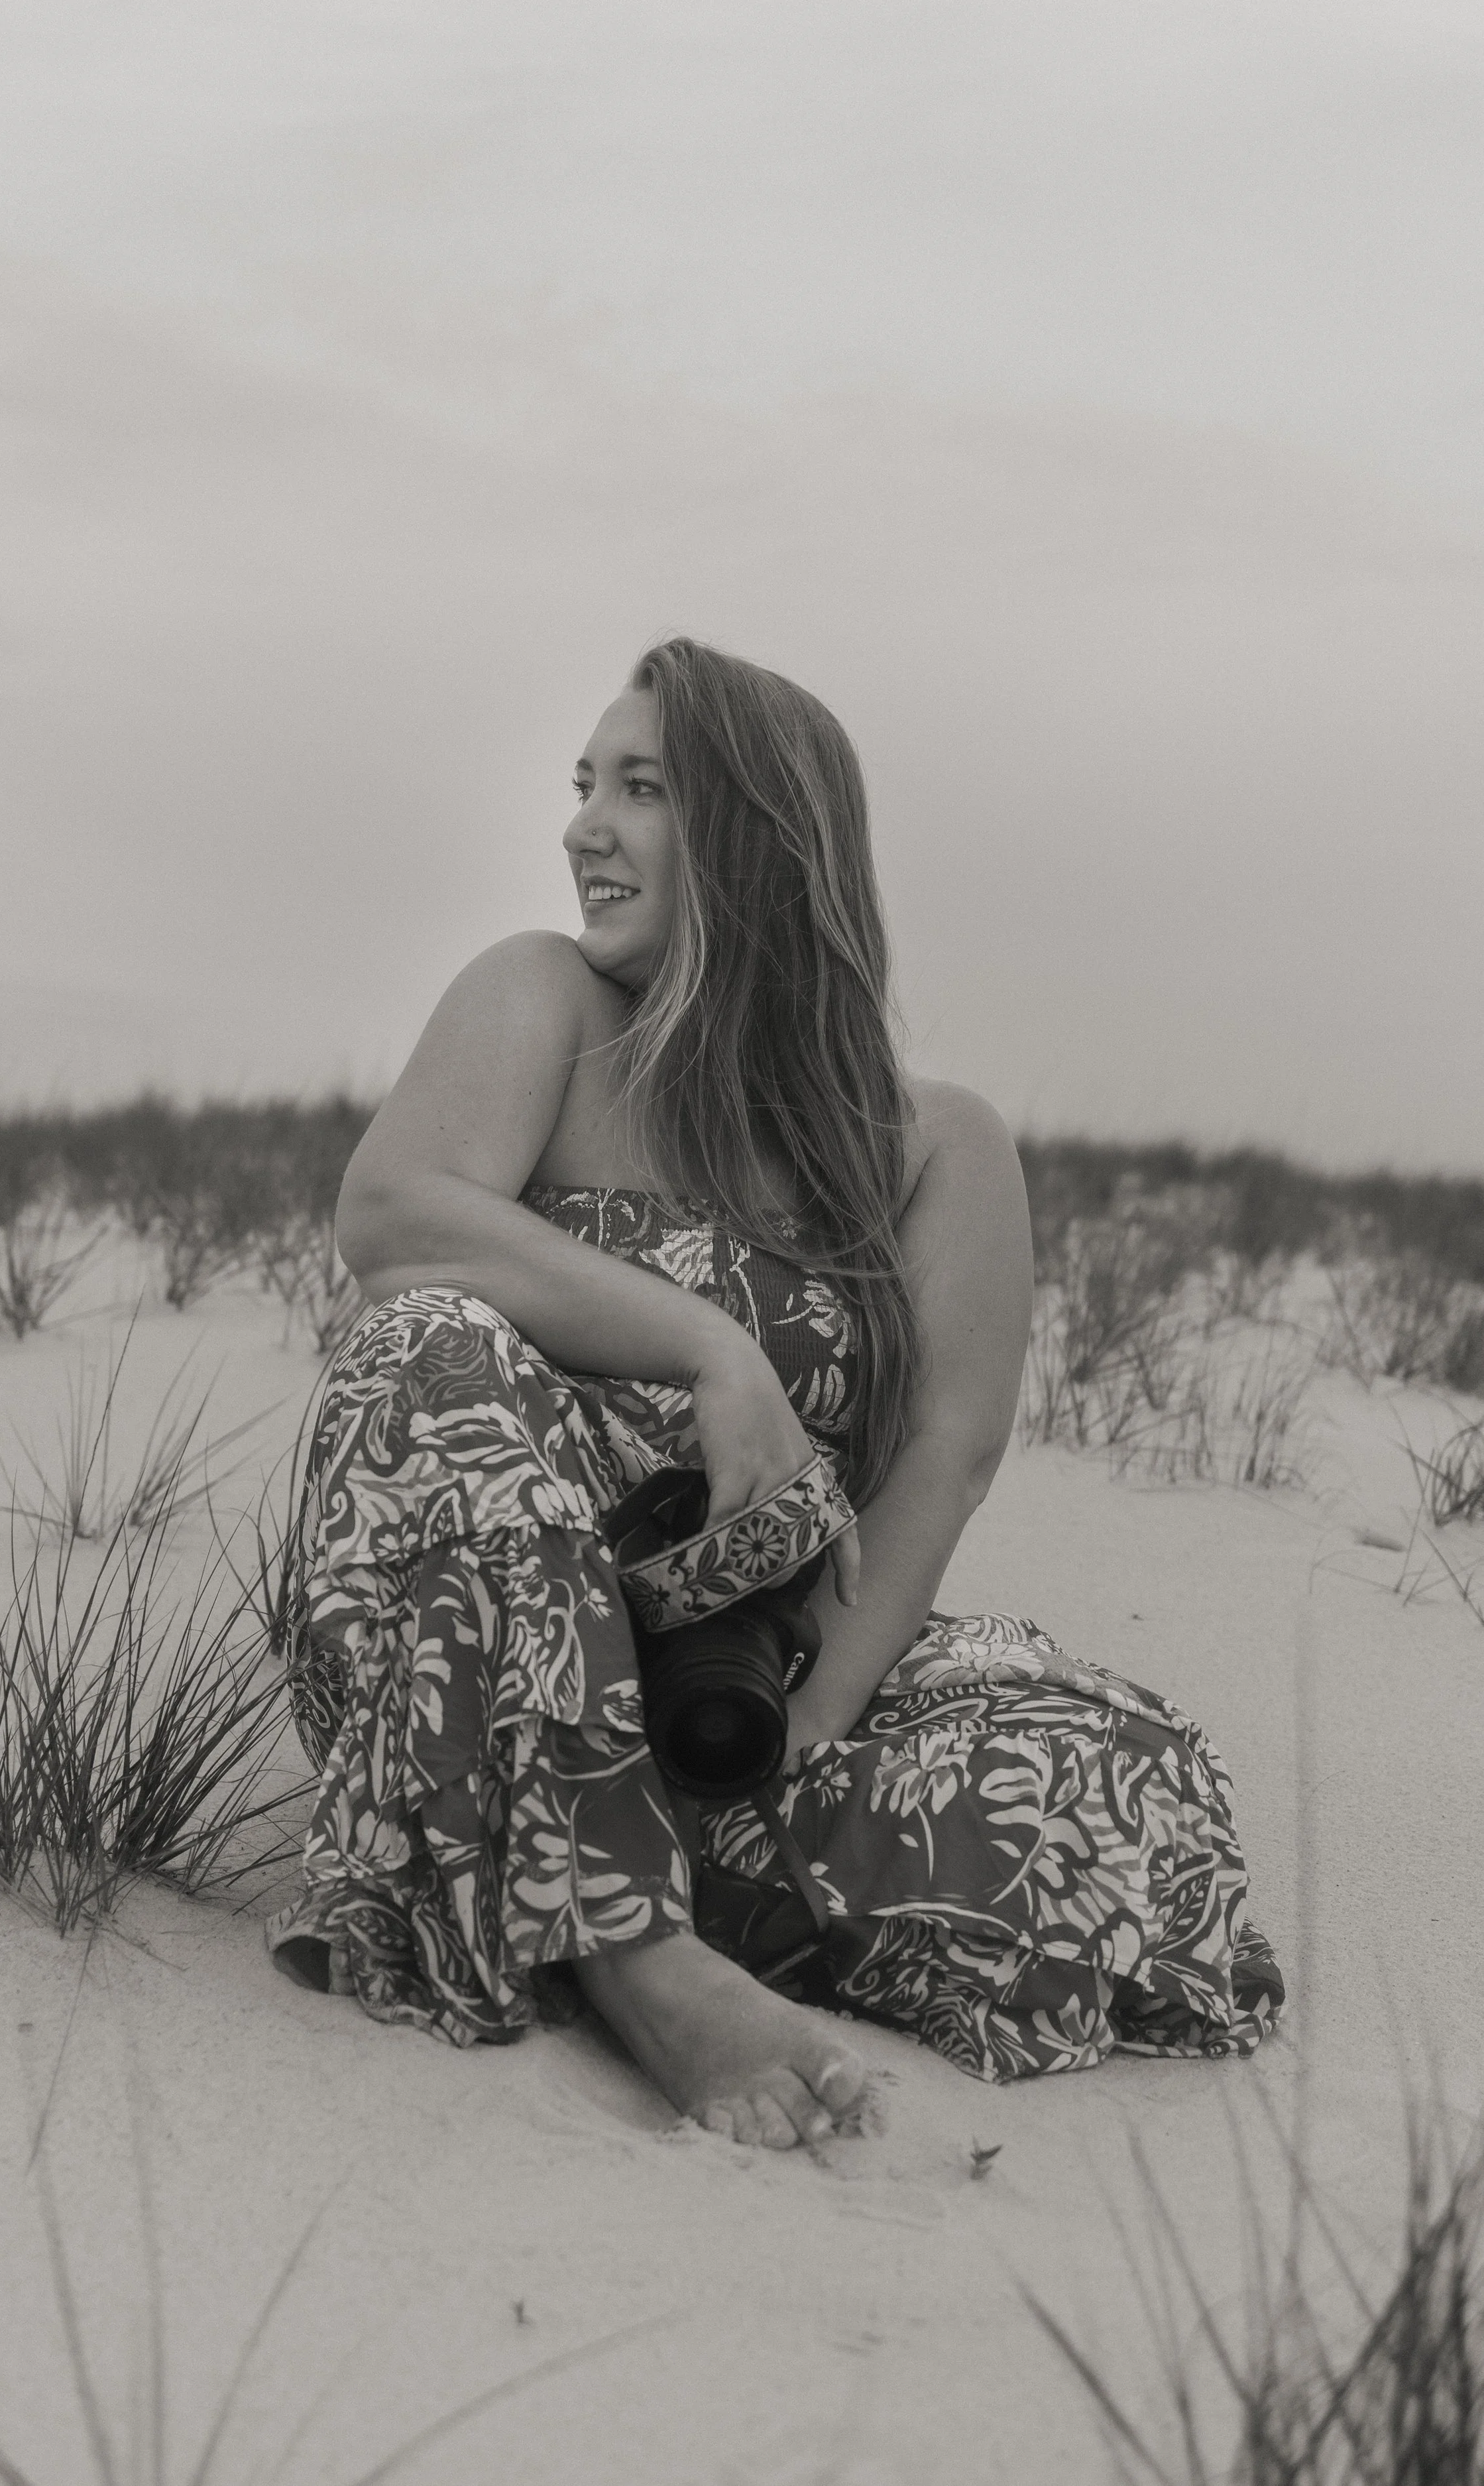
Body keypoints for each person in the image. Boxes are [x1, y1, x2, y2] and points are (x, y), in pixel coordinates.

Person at [266, 636, 1283, 2151]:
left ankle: (560, 1858)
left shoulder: (934, 1144)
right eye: (581, 786)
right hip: (473, 1631)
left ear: (753, 833)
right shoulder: (540, 998)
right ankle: (636, 1956)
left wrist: (814, 1717)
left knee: (1116, 1792)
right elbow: (395, 1216)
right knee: (425, 1349)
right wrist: (711, 1347)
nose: (581, 826)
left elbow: (944, 1457)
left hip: (745, 1679)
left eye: (640, 789)